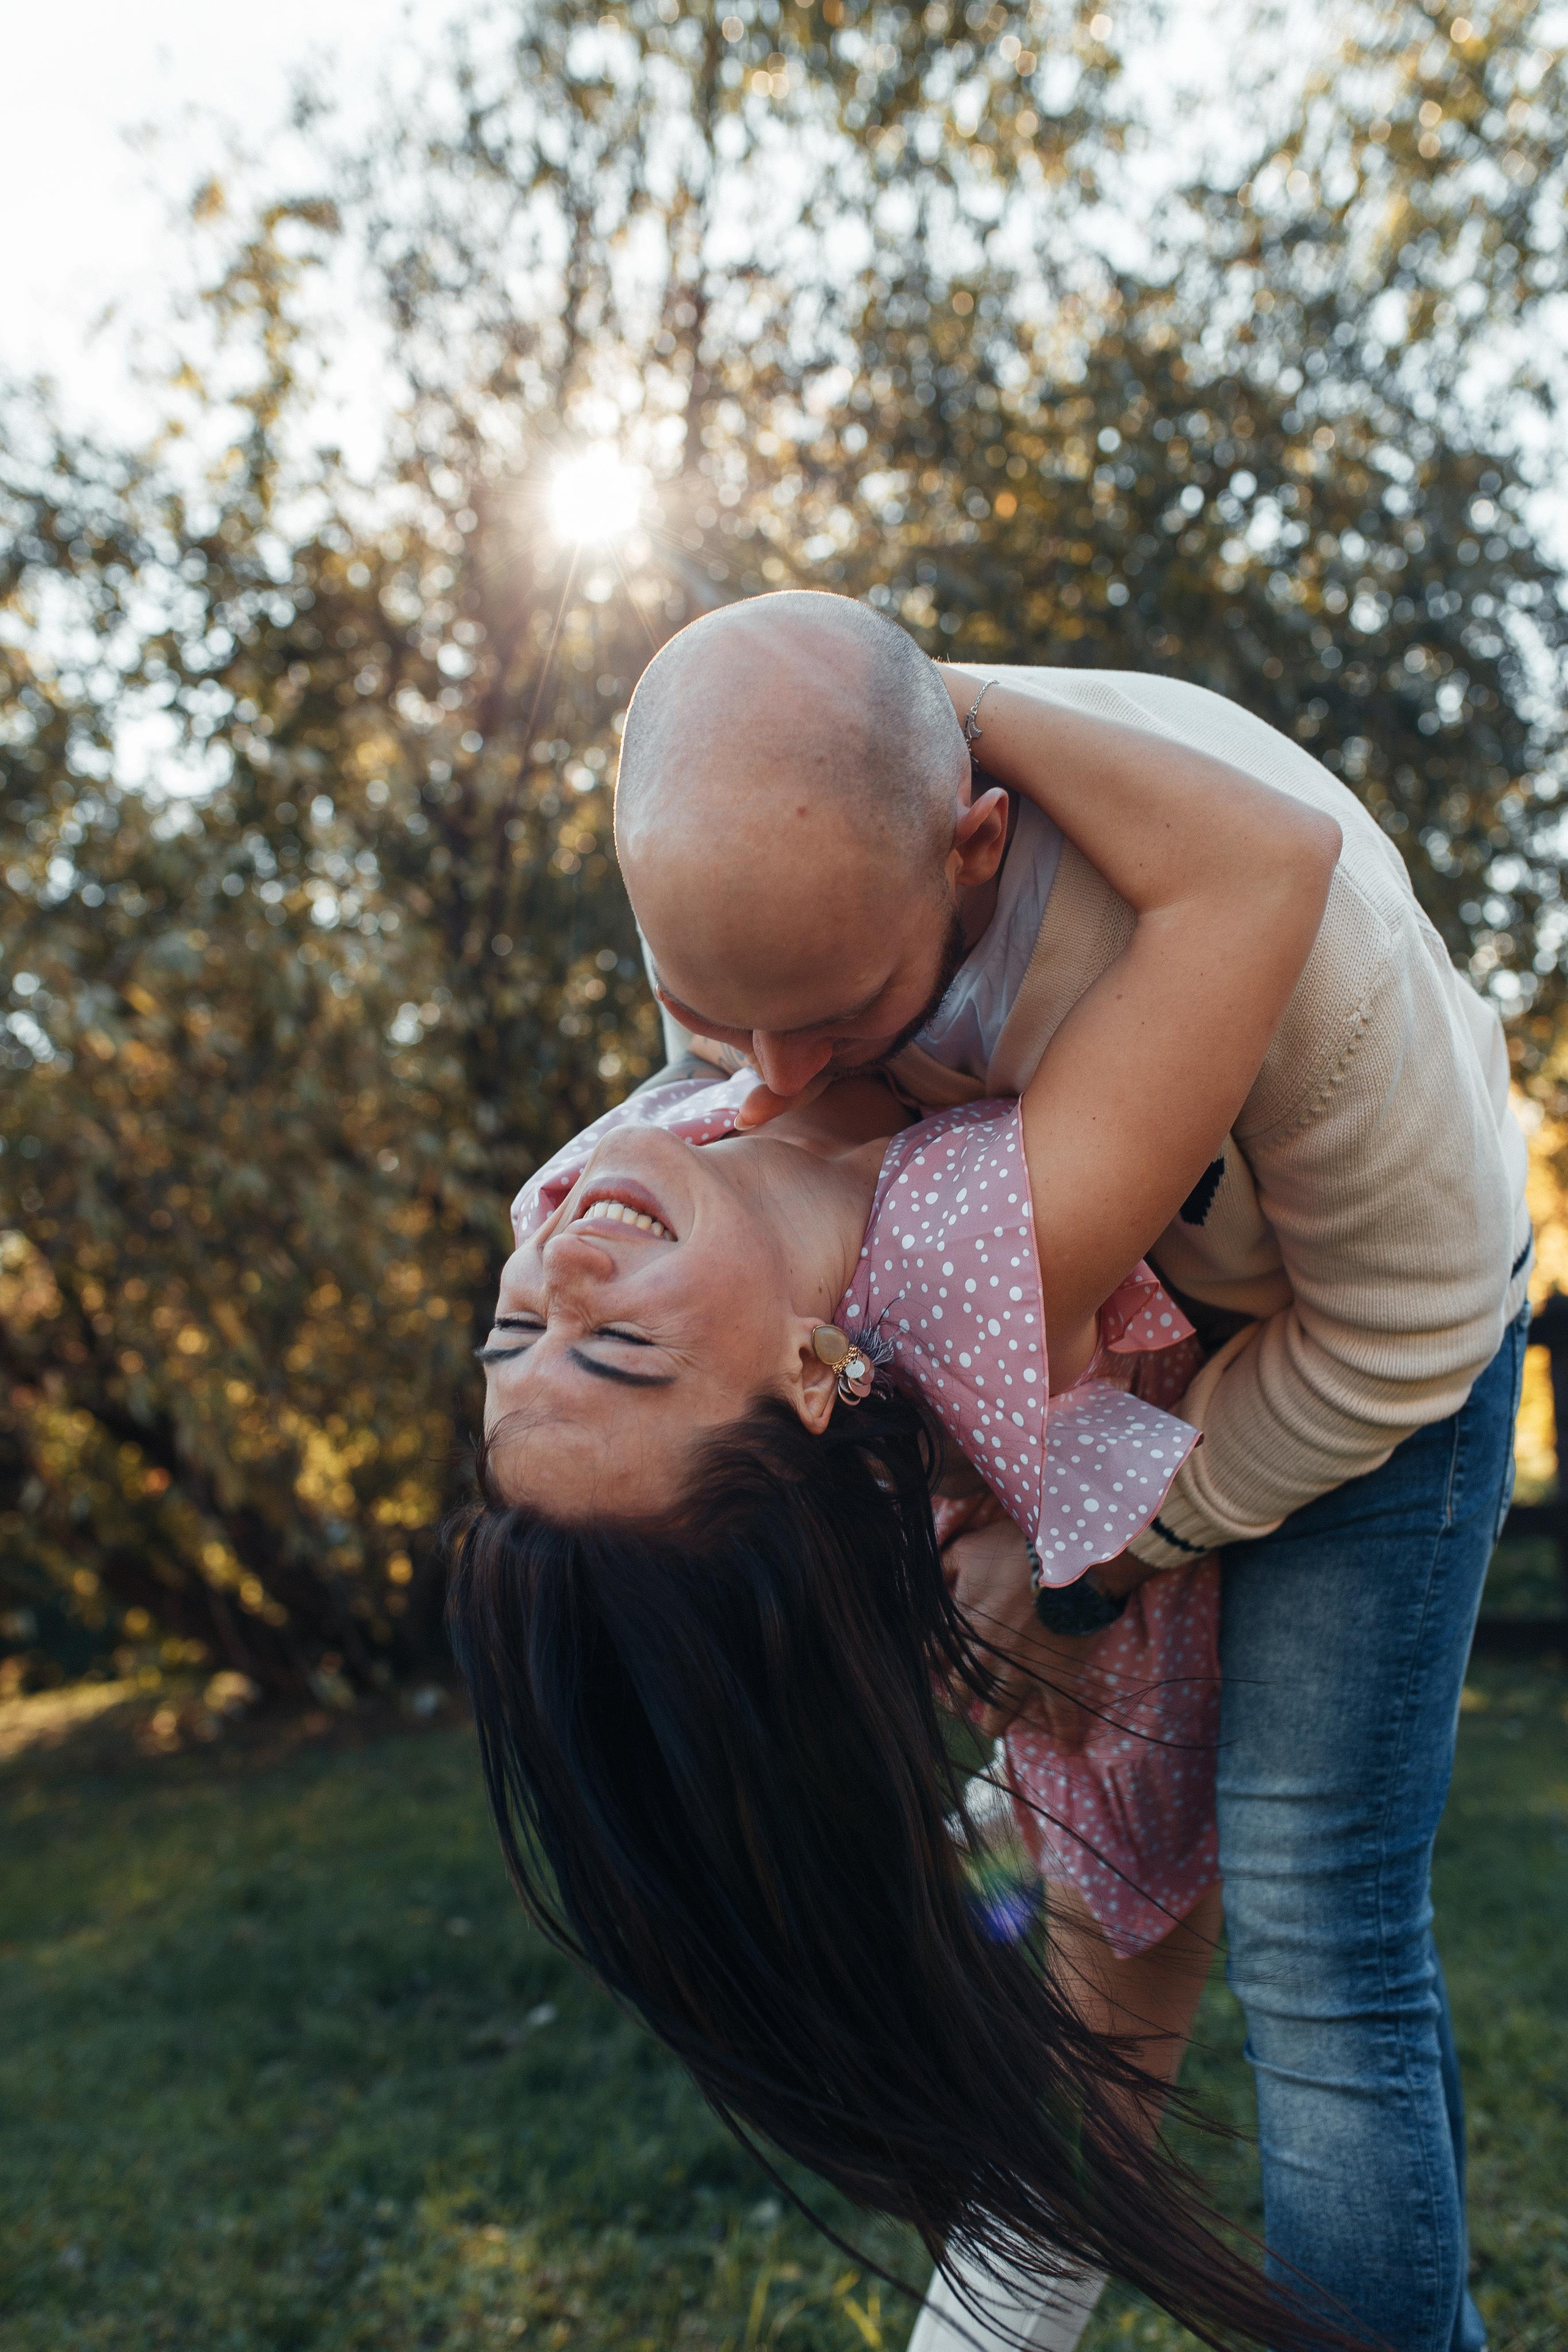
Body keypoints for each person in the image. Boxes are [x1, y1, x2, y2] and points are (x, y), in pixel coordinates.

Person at [613, 592, 1532, 2352]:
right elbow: (792, 1184)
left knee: (1313, 1919)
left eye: (834, 1012)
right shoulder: (763, 883)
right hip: (1115, 1408)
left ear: (971, 847)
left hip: (1379, 1376)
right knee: (1113, 1867)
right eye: (710, 1014)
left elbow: (1407, 1327)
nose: (771, 1081)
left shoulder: (1301, 944)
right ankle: (1030, 2247)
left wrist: (1098, 1558)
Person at [448, 710, 1350, 2348]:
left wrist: (758, 740)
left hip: (1010, 1516)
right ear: (808, 1370)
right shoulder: (974, 1244)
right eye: (616, 1347)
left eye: (513, 1339)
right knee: (1109, 2044)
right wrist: (914, 707)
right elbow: (1263, 870)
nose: (553, 1269)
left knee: (1083, 2049)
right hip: (1174, 1522)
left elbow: (719, 858)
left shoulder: (598, 1199)